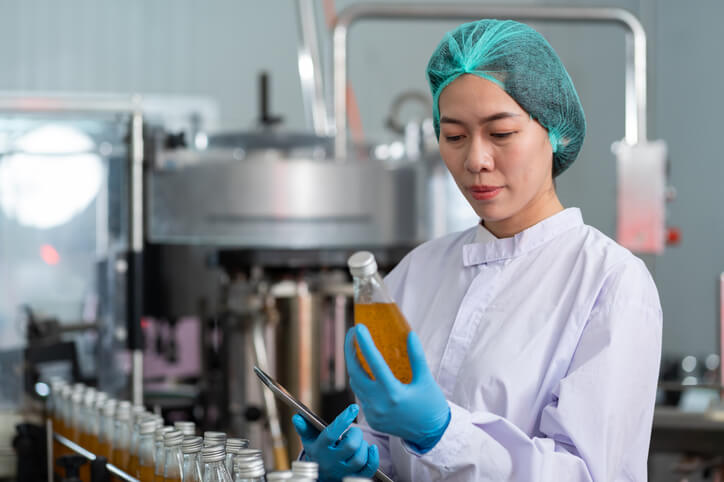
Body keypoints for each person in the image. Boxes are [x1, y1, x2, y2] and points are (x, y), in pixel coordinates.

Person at [292, 19, 662, 481]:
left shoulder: (610, 284)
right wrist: (349, 461)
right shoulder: (417, 271)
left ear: (554, 132)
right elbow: (388, 449)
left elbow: (588, 474)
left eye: (501, 133)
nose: (475, 160)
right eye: (454, 136)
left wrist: (443, 433)